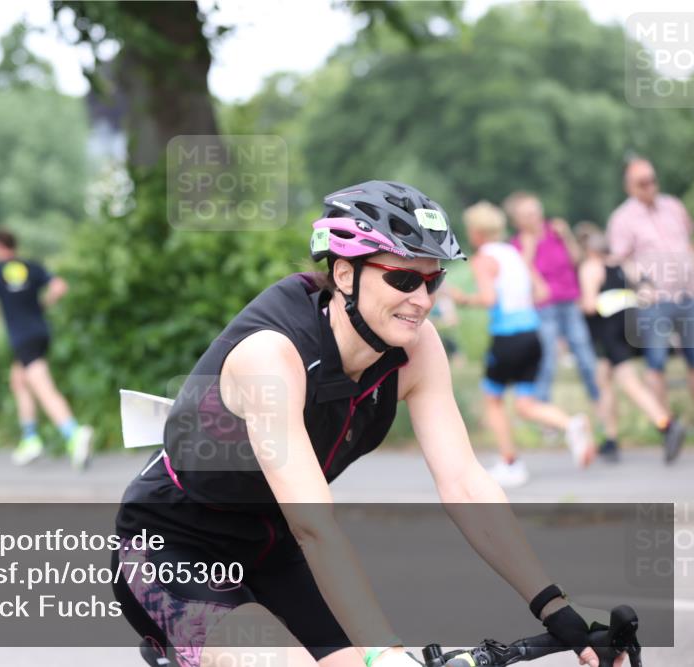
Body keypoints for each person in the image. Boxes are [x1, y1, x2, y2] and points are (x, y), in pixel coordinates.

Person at [112, 182, 620, 667]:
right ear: (344, 274)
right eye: (402, 278)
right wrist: (384, 650)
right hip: (172, 546)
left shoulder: (415, 349)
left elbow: (465, 484)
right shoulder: (274, 355)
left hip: (272, 548)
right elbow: (315, 524)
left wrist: (554, 607)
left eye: (432, 279)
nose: (421, 299)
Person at [451, 202, 594, 487]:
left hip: (508, 336)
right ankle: (571, 425)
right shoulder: (514, 253)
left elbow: (490, 299)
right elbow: (542, 291)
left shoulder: (484, 259)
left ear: (477, 232)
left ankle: (510, 463)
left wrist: (464, 299)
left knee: (492, 399)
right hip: (533, 333)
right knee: (525, 403)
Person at [0, 229, 93, 468]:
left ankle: (73, 433)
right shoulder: (32, 267)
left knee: (42, 386)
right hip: (40, 333)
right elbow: (60, 287)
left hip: (21, 337)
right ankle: (30, 439)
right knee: (18, 380)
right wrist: (43, 304)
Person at [575, 222, 686, 463]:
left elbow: (589, 304)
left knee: (628, 381)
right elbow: (649, 290)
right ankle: (611, 439)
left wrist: (578, 306)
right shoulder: (624, 265)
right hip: (632, 324)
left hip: (609, 331)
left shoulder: (591, 267)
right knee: (603, 378)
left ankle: (666, 424)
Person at [606, 156, 694, 408]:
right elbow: (620, 260)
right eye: (642, 182)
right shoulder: (622, 218)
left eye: (651, 180)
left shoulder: (673, 206)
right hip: (655, 300)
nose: (649, 186)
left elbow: (686, 243)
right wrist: (642, 285)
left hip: (687, 294)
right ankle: (665, 426)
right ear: (630, 186)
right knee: (656, 364)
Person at [505, 193, 601, 411]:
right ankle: (544, 411)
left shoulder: (555, 232)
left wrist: (566, 235)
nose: (534, 217)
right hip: (544, 308)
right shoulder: (518, 244)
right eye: (527, 214)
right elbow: (520, 275)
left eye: (536, 211)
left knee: (585, 355)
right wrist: (528, 251)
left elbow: (576, 260)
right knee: (547, 360)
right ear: (517, 220)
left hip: (569, 302)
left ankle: (599, 403)